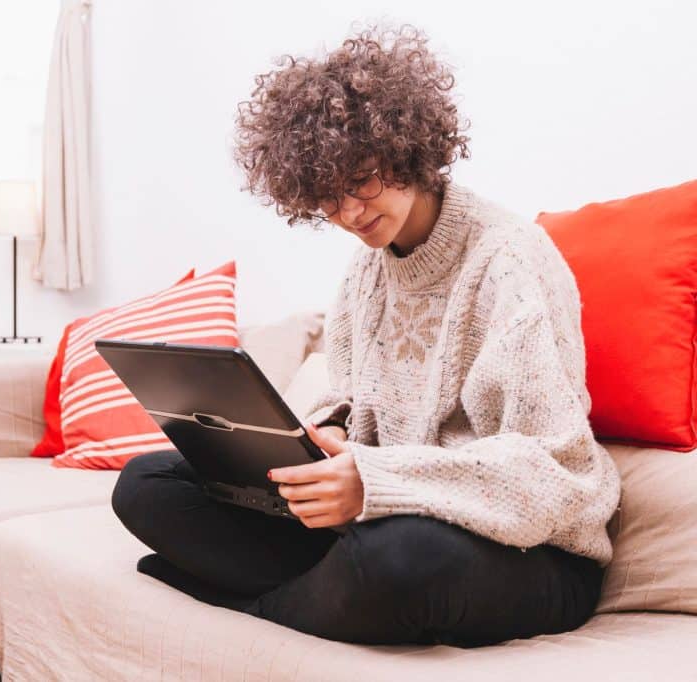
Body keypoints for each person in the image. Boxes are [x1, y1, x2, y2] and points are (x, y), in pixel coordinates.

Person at [111, 22, 621, 648]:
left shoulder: (510, 260)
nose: (350, 213)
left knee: (397, 558)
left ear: (407, 145)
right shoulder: (364, 276)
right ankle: (318, 597)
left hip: (524, 550)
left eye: (363, 179)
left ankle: (256, 602)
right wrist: (326, 439)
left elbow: (551, 475)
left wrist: (378, 482)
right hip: (382, 517)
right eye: (326, 197)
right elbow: (360, 412)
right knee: (146, 484)